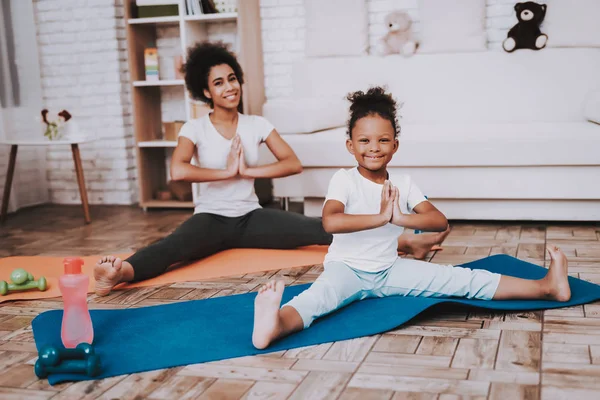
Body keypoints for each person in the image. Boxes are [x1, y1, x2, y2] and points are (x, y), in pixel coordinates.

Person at [93, 43, 447, 296]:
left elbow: (292, 163)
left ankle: (405, 244)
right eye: (219, 82)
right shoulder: (194, 128)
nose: (229, 87)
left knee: (316, 228)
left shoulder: (256, 124)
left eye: (232, 78)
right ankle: (120, 271)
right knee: (174, 247)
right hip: (211, 218)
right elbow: (178, 170)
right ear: (205, 91)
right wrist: (227, 173)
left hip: (252, 217)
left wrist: (249, 172)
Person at [251, 87, 571, 350]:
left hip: (390, 270)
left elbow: (438, 220)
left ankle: (546, 287)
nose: (374, 148)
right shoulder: (343, 180)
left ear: (395, 145)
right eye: (364, 141)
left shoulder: (402, 183)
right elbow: (330, 222)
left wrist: (401, 217)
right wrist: (379, 218)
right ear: (350, 145)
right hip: (346, 270)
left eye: (383, 140)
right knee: (317, 301)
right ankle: (274, 325)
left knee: (461, 280)